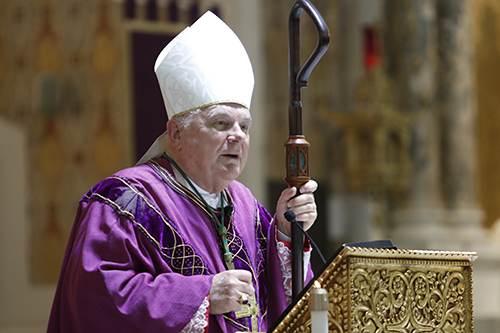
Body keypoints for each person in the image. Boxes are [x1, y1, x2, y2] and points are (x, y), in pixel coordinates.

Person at [47, 11, 318, 333]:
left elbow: (277, 296)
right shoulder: (124, 199)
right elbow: (95, 297)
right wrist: (203, 294)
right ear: (175, 134)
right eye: (221, 123)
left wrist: (287, 232)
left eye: (244, 126)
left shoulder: (244, 204)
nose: (238, 135)